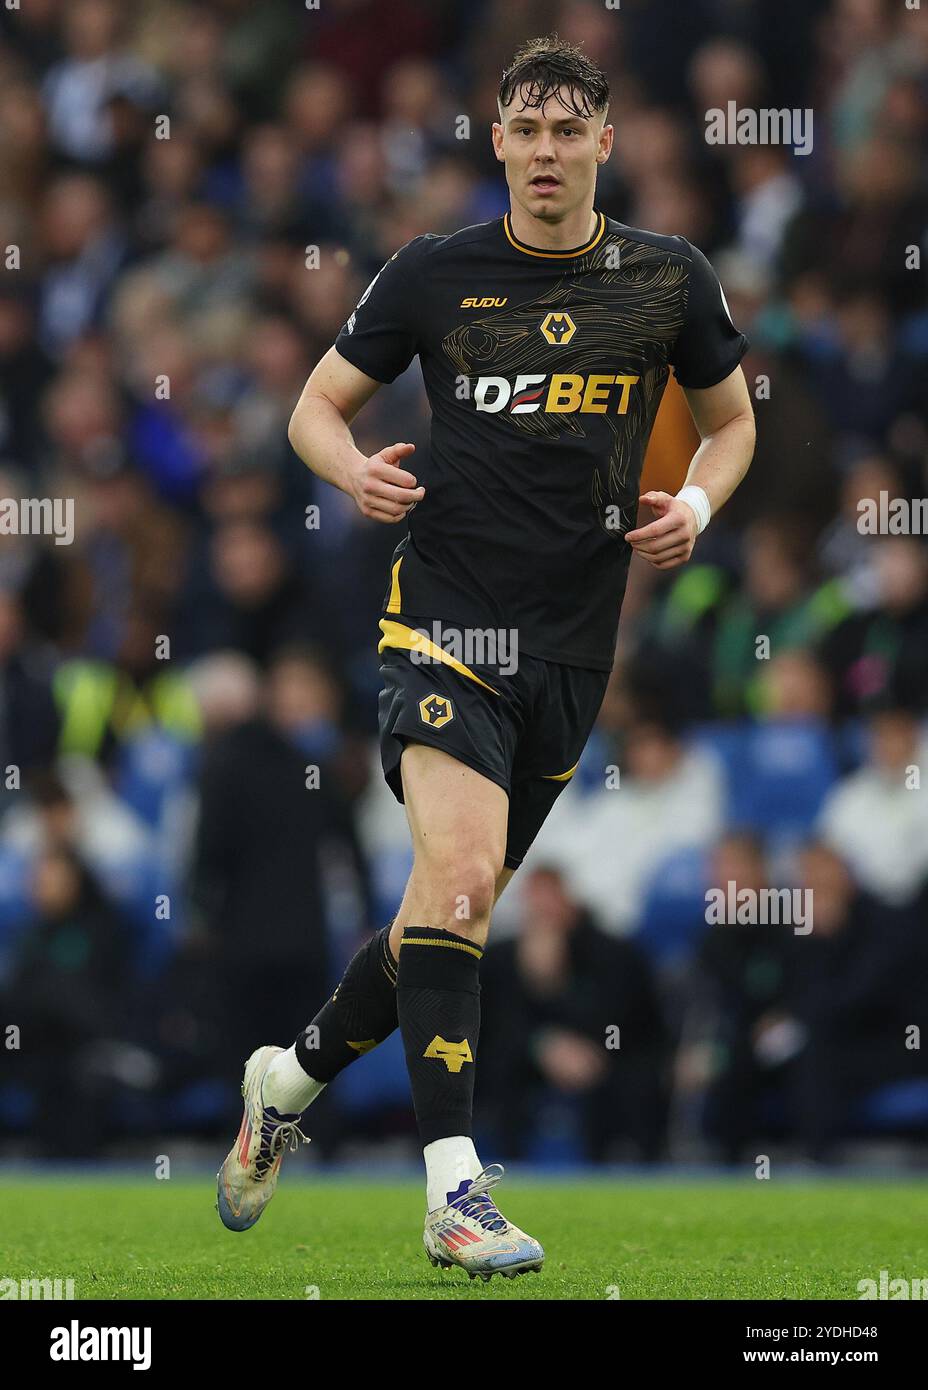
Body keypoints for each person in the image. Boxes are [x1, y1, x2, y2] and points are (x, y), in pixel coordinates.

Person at [216, 34, 755, 1279]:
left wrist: (700, 509)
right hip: (443, 621)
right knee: (458, 886)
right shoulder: (431, 274)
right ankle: (455, 1194)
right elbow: (312, 408)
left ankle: (284, 1081)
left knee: (437, 921)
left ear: (604, 144)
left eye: (573, 130)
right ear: (498, 141)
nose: (549, 151)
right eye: (528, 128)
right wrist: (353, 470)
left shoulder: (667, 280)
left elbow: (731, 427)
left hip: (572, 651)